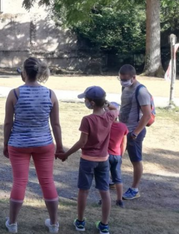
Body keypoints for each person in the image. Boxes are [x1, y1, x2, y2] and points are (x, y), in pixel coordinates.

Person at [3, 57, 63, 233]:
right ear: (39, 73)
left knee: (19, 182)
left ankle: (12, 223)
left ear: (24, 72)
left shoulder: (14, 94)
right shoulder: (50, 94)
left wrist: (5, 144)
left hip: (18, 143)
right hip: (44, 143)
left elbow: (8, 123)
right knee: (47, 181)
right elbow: (56, 124)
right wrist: (59, 146)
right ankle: (53, 224)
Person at [56, 86, 119, 234]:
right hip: (103, 160)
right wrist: (106, 103)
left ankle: (80, 222)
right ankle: (104, 224)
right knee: (104, 192)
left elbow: (82, 142)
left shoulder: (87, 120)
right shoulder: (110, 116)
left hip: (87, 160)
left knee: (83, 191)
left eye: (86, 100)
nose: (84, 102)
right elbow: (115, 108)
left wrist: (66, 154)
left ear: (91, 103)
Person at [117, 64, 152, 200]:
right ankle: (115, 181)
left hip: (134, 132)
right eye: (121, 79)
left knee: (136, 159)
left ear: (134, 77)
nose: (123, 81)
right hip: (123, 129)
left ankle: (134, 189)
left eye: (125, 79)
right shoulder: (125, 87)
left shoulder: (141, 91)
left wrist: (135, 132)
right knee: (116, 156)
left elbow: (147, 115)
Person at [104, 102, 128, 208]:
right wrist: (121, 155)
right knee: (118, 178)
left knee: (104, 178)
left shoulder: (105, 126)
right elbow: (124, 143)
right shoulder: (123, 127)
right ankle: (119, 199)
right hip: (117, 155)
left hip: (105, 155)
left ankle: (104, 198)